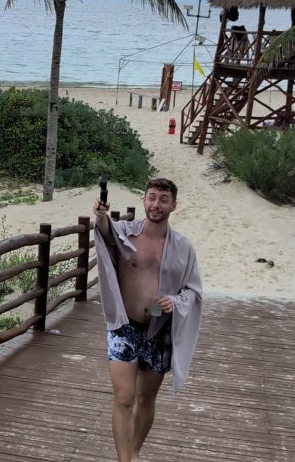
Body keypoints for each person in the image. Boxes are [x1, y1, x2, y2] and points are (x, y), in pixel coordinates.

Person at [93, 178, 202, 462]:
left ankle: (135, 450)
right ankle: (124, 459)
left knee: (145, 399)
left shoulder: (183, 247)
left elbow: (193, 290)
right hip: (123, 326)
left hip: (158, 330)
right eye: (151, 197)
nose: (156, 204)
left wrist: (175, 302)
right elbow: (106, 234)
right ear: (144, 200)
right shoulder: (126, 233)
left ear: (173, 205)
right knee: (124, 398)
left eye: (163, 199)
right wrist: (102, 216)